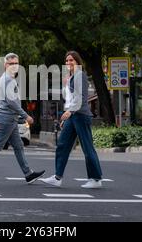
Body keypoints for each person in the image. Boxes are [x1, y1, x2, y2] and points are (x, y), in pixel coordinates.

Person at [0, 53, 45, 184]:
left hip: (9, 118)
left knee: (18, 146)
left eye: (16, 64)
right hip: (7, 118)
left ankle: (28, 174)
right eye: (11, 64)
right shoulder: (8, 79)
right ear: (6, 65)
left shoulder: (7, 78)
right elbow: (12, 102)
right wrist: (26, 115)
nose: (14, 66)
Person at [40, 51, 103, 189]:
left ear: (78, 62)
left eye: (71, 60)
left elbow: (80, 98)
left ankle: (96, 179)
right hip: (72, 116)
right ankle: (57, 177)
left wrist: (69, 111)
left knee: (87, 148)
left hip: (81, 115)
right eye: (67, 61)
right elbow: (70, 98)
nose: (68, 63)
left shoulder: (80, 76)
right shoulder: (72, 77)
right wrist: (66, 115)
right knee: (62, 146)